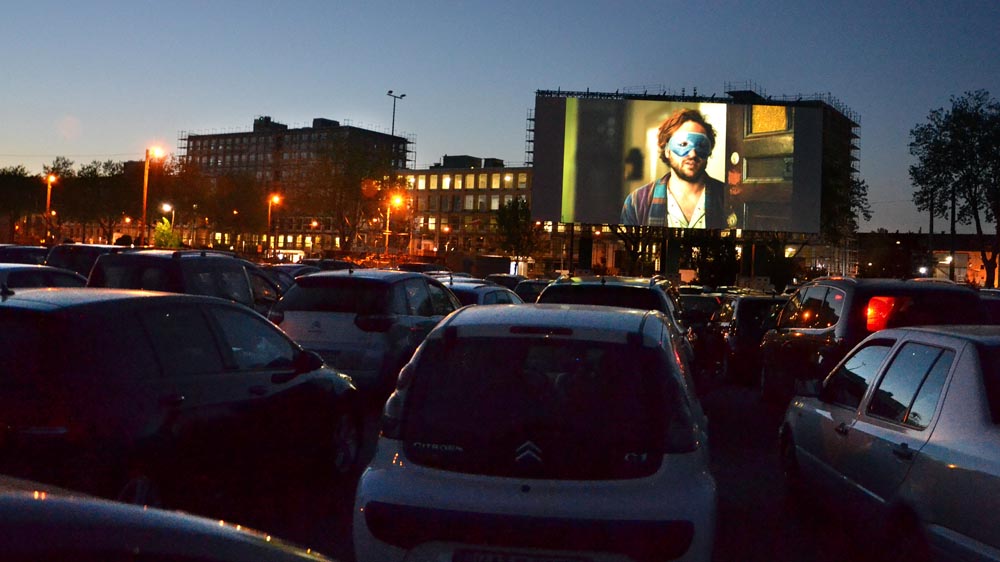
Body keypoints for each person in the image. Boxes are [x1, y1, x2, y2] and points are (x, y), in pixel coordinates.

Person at [621, 108, 735, 229]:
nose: (692, 154)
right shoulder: (636, 203)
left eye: (701, 145)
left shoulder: (731, 199)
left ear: (709, 150)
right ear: (667, 151)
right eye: (683, 145)